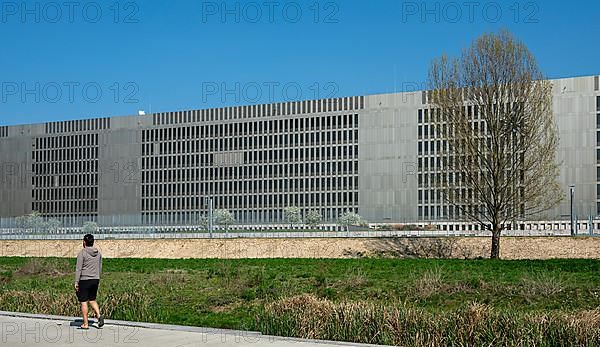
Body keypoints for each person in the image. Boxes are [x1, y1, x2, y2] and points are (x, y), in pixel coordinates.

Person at [74, 233, 104, 329]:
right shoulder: (98, 253)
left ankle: (86, 324)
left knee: (83, 301)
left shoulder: (82, 253)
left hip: (84, 279)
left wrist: (76, 281)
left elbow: (79, 268)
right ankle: (99, 316)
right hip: (95, 279)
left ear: (84, 242)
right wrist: (97, 277)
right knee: (92, 299)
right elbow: (100, 267)